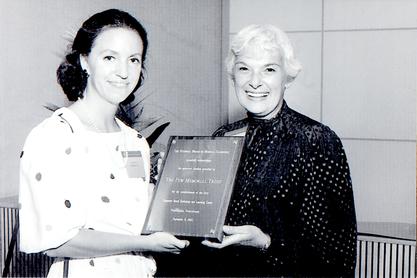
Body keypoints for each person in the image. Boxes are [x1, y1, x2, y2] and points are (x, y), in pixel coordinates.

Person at [156, 24, 357, 277]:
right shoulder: (222, 136)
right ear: (234, 76)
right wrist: (171, 188)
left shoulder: (316, 140)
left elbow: (336, 252)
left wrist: (265, 241)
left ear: (287, 77)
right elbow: (201, 230)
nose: (254, 82)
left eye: (269, 69)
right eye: (244, 69)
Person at [18, 9, 188, 278]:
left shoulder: (135, 142)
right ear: (84, 60)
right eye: (110, 57)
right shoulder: (54, 137)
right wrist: (144, 243)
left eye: (133, 60)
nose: (123, 72)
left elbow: (136, 218)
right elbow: (58, 240)